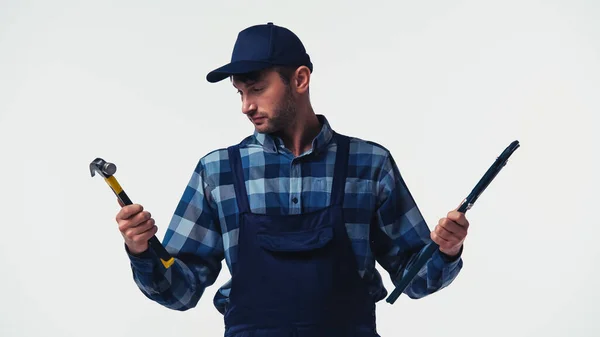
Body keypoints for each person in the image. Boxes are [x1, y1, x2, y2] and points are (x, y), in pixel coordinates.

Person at [115, 22, 469, 337]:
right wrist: (142, 250)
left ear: (300, 79)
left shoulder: (369, 164)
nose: (245, 106)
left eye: (256, 89)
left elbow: (416, 279)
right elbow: (181, 291)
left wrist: (447, 250)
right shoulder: (218, 171)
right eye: (240, 93)